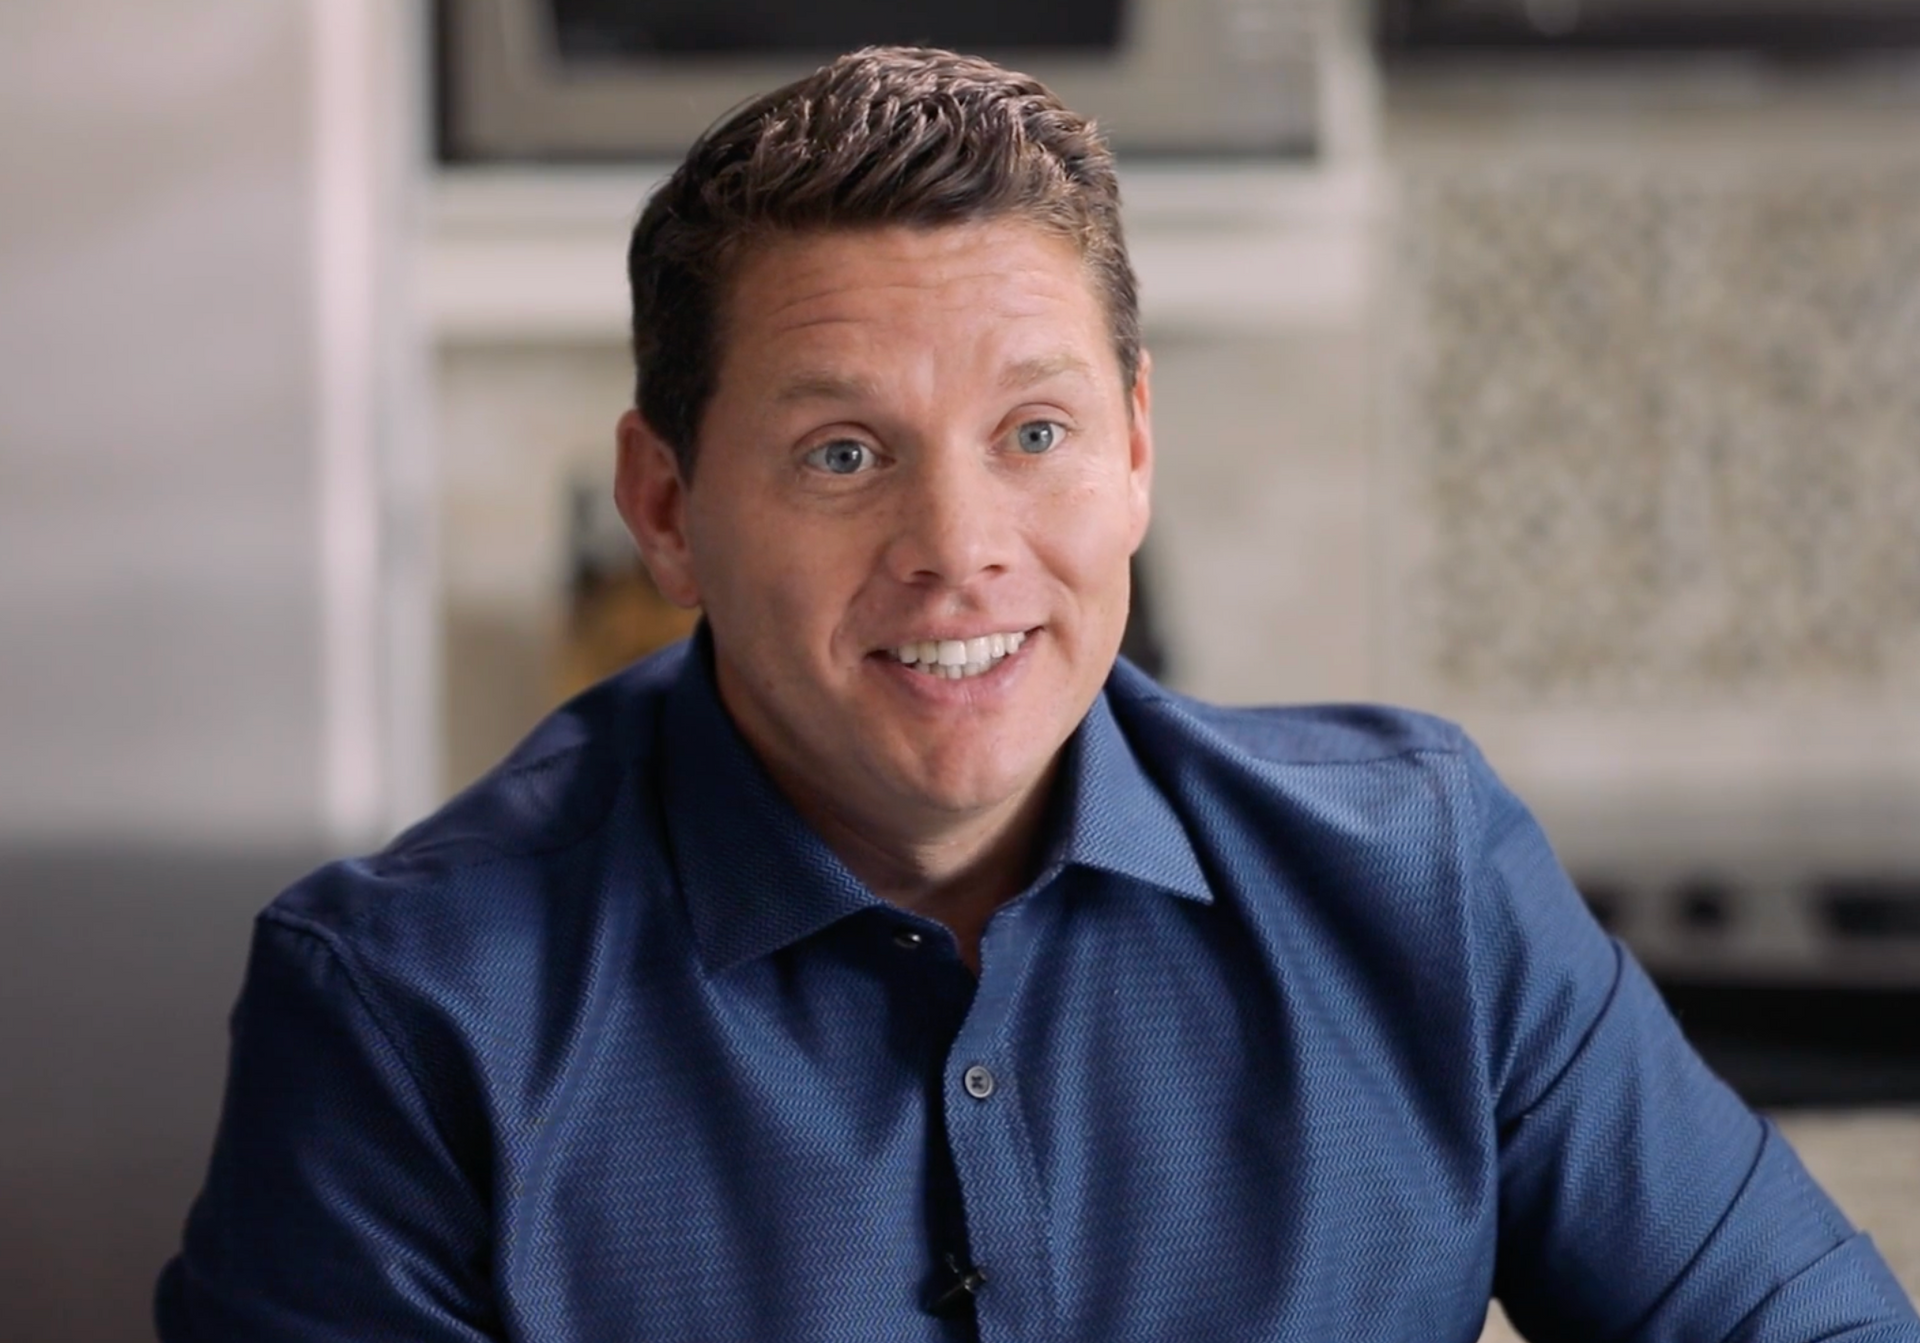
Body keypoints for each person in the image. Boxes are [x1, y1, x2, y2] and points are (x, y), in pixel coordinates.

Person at [156, 46, 1919, 1342]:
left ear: (1136, 447)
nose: (960, 549)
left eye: (1036, 432)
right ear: (667, 505)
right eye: (845, 454)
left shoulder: (1424, 876)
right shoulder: (402, 1018)